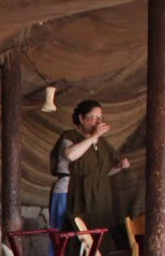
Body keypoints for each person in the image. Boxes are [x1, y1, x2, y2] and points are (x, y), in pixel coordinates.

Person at [57, 99, 133, 239]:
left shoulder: (101, 142)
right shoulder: (70, 136)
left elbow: (104, 172)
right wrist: (94, 136)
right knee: (73, 236)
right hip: (73, 192)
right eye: (94, 118)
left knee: (98, 237)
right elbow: (70, 155)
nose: (98, 122)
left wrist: (119, 167)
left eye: (100, 118)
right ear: (81, 118)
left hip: (98, 196)